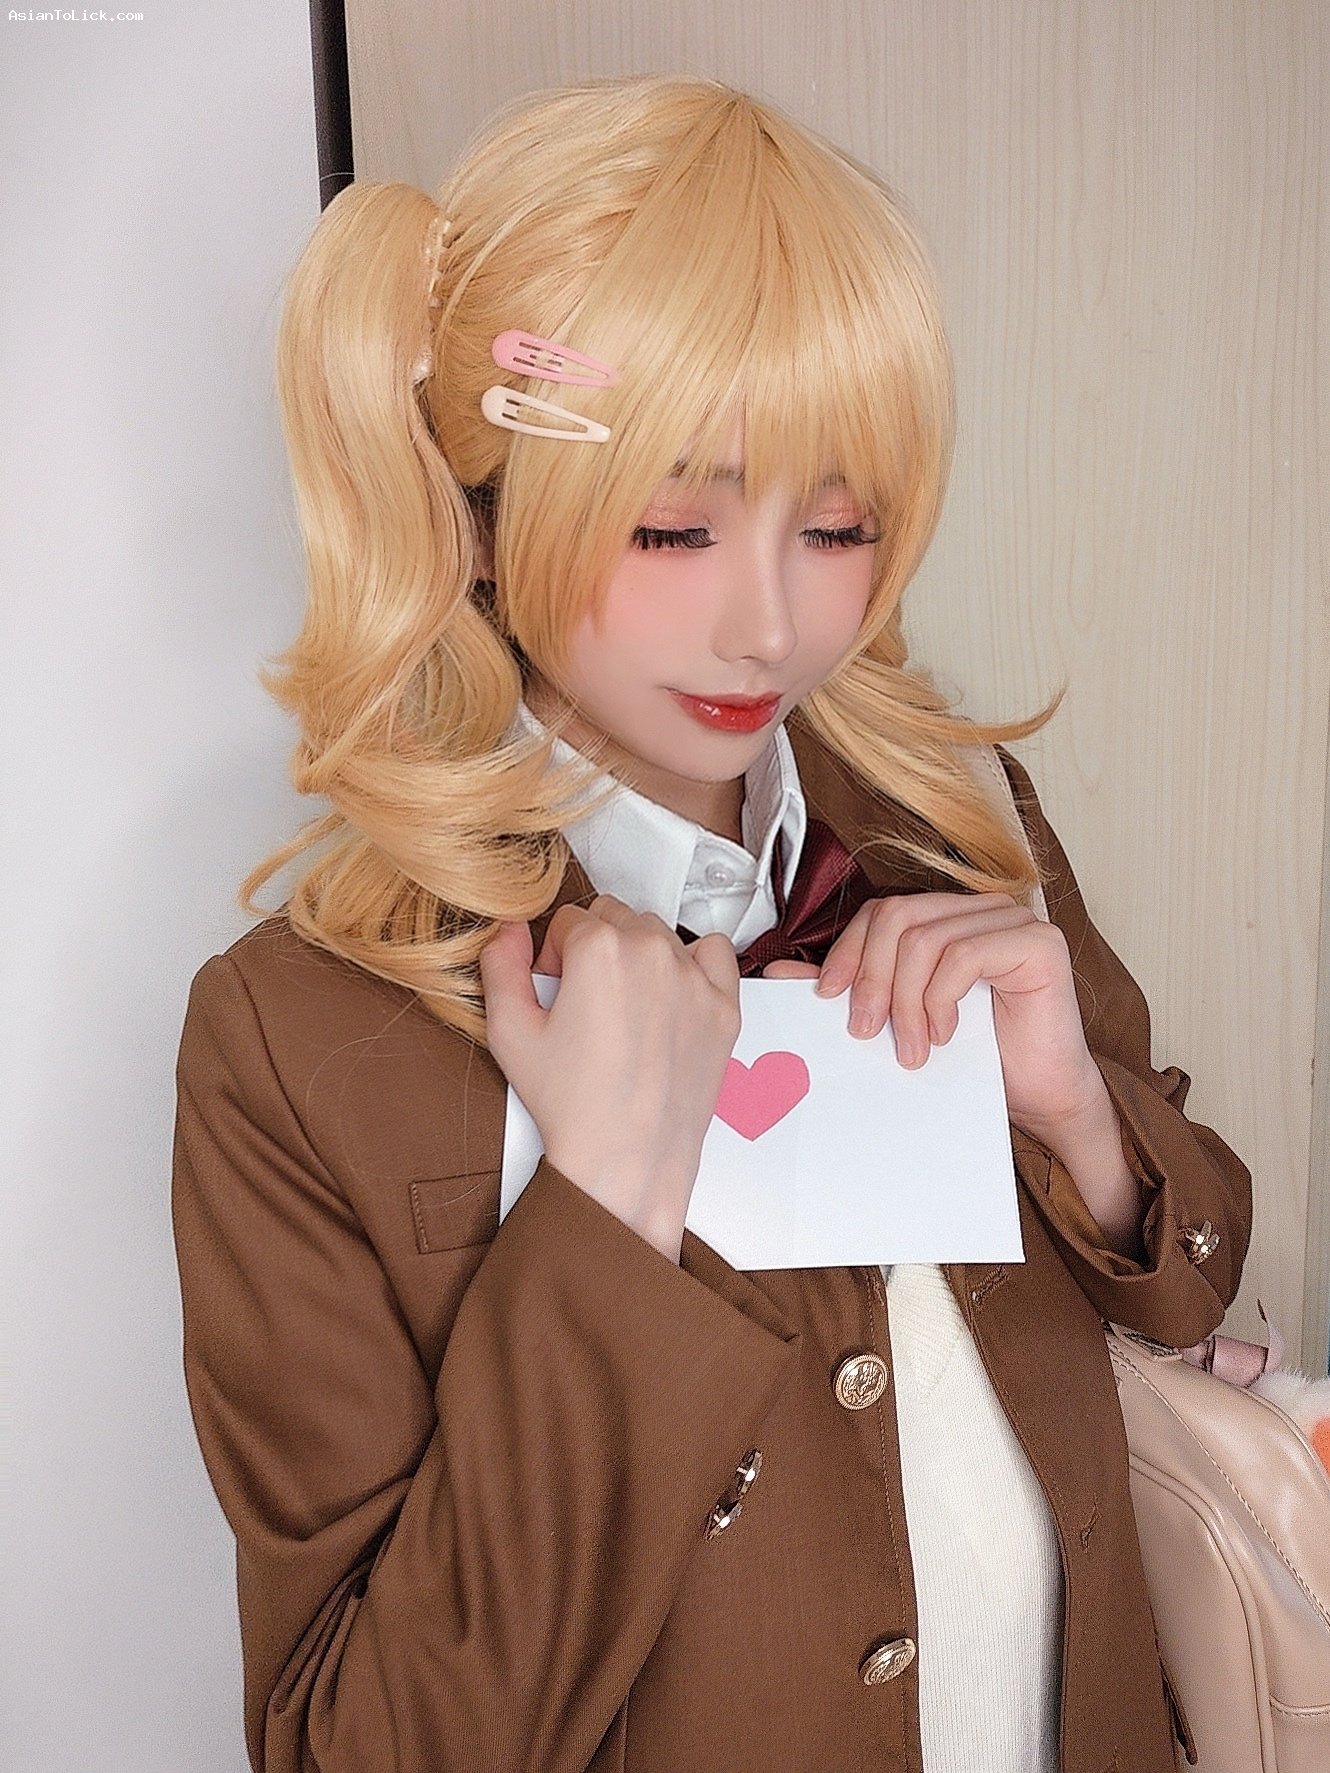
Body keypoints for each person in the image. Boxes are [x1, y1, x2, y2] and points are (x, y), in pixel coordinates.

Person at [170, 73, 1251, 1773]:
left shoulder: (954, 823)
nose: (769, 622)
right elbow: (356, 1746)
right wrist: (600, 1210)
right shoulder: (302, 1032)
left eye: (837, 525)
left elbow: (1189, 1292)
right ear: (476, 516)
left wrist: (1082, 1130)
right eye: (675, 524)